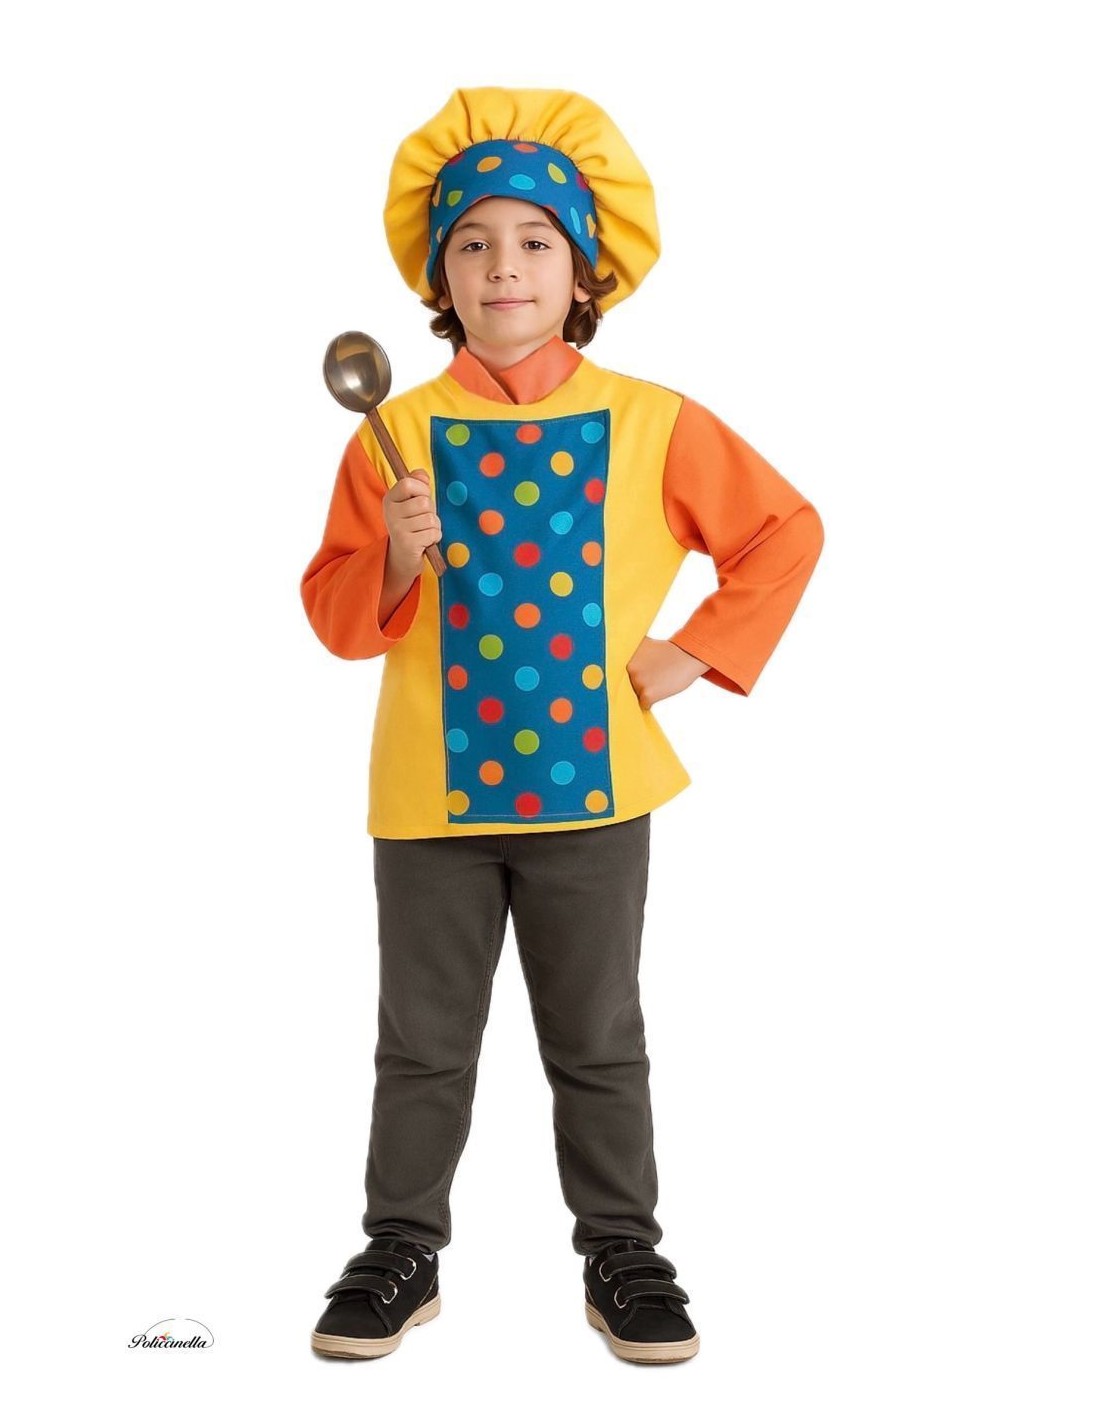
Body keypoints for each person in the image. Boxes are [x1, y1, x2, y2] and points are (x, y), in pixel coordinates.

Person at [300, 87, 824, 1365]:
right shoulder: (391, 432)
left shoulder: (653, 420)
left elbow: (782, 531)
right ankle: (399, 1247)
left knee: (598, 1041)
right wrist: (399, 559)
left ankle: (621, 1250)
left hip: (595, 790)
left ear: (583, 268)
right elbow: (334, 611)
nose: (504, 266)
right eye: (473, 242)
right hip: (427, 791)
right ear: (439, 276)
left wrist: (692, 652)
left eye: (534, 241)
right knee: (420, 1045)